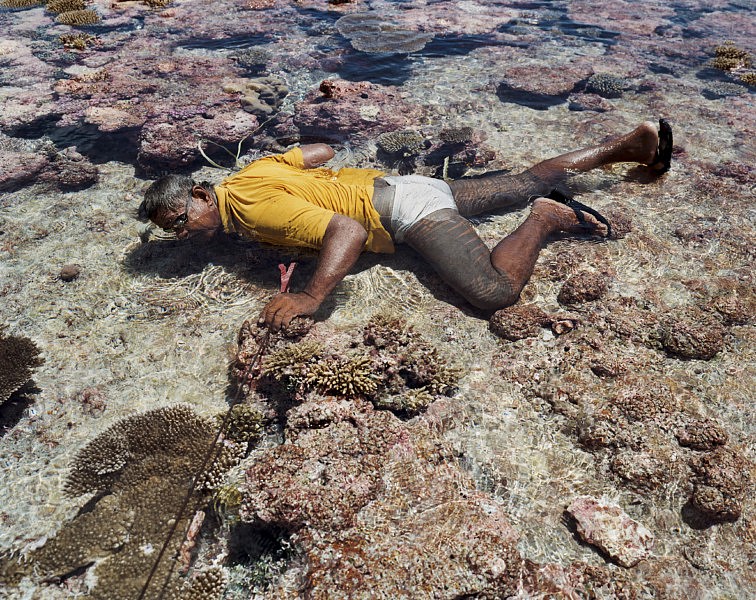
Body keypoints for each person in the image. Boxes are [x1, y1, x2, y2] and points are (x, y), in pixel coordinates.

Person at [139, 119, 672, 330]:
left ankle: (546, 218)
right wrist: (303, 174)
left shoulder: (250, 209)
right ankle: (631, 145)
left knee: (494, 293)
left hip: (408, 212)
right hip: (406, 184)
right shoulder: (251, 173)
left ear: (201, 193)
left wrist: (310, 297)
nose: (183, 234)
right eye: (173, 233)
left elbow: (345, 231)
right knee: (529, 177)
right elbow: (321, 150)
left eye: (182, 221)